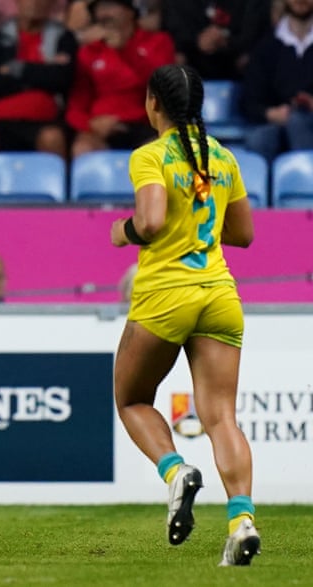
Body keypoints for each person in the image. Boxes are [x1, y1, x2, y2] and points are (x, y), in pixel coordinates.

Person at [109, 63, 258, 566]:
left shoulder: (149, 156)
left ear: (154, 103)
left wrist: (121, 232)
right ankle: (241, 521)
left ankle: (176, 472)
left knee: (131, 399)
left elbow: (149, 221)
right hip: (219, 292)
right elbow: (242, 234)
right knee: (221, 417)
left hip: (166, 295)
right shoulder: (224, 157)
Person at [0, 0, 78, 162]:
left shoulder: (64, 38)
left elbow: (62, 79)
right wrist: (42, 73)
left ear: (50, 5)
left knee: (52, 138)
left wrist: (17, 69)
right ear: (17, 3)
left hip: (46, 120)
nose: (35, 3)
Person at [65, 0, 174, 157]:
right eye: (100, 8)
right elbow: (75, 106)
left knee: (161, 152)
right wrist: (90, 125)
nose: (104, 14)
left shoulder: (159, 42)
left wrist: (126, 50)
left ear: (130, 11)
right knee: (83, 148)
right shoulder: (88, 52)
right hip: (100, 126)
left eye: (110, 6)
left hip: (147, 124)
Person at [241, 0, 313, 162]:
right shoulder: (265, 47)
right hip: (276, 124)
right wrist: (271, 113)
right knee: (259, 139)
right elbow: (249, 101)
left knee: (297, 123)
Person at [160, 0, 270, 81]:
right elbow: (173, 30)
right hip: (193, 69)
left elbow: (257, 32)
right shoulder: (177, 5)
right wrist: (197, 40)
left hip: (237, 73)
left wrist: (227, 41)